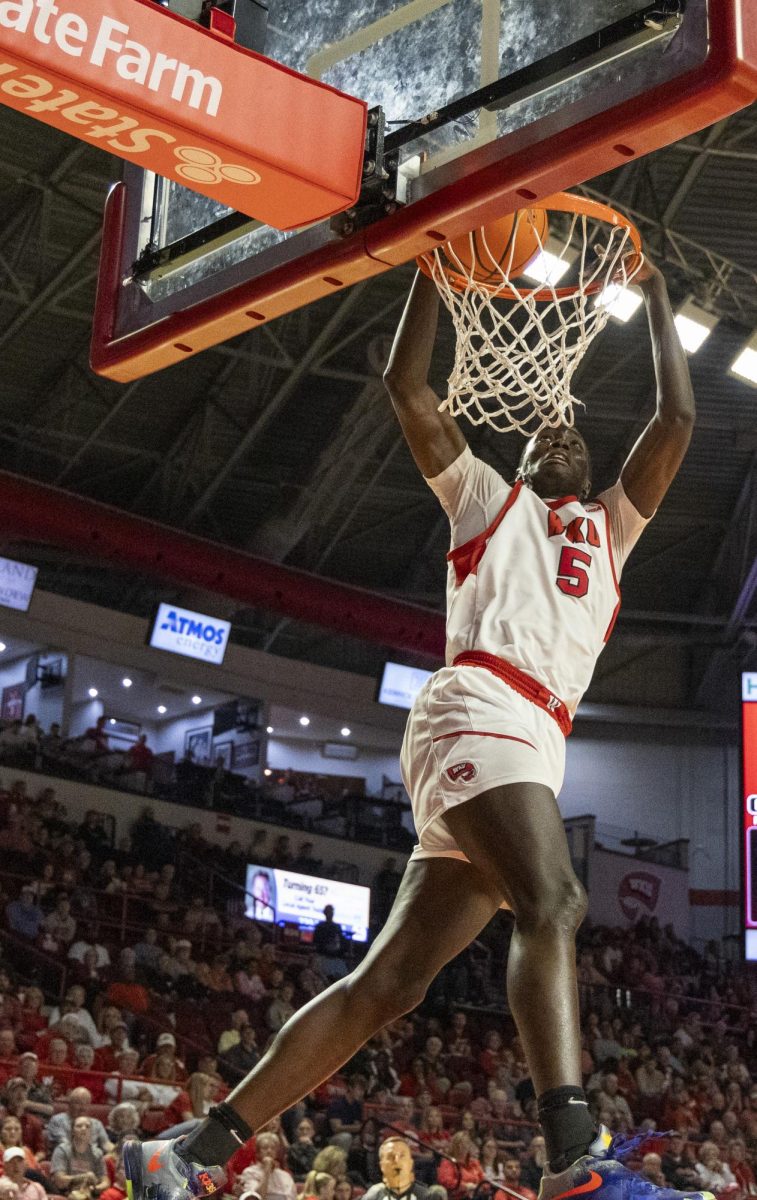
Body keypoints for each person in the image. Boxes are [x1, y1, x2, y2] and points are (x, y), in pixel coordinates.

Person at [124, 259, 701, 1200]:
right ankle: (572, 1157)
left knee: (390, 987)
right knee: (551, 905)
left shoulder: (612, 528)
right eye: (543, 432)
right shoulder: (487, 500)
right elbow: (408, 387)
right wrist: (437, 265)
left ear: (592, 471)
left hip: (524, 743)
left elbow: (675, 422)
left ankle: (183, 1154)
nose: (560, 431)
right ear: (518, 462)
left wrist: (663, 294)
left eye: (576, 432)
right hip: (480, 707)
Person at [363, 1138, 429, 1200]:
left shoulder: (427, 1195)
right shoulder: (374, 1194)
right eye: (390, 1156)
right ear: (382, 1166)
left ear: (411, 1163)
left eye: (402, 1156)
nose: (397, 1160)